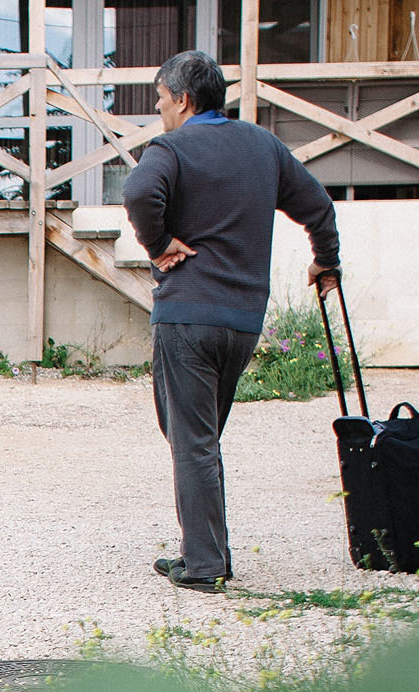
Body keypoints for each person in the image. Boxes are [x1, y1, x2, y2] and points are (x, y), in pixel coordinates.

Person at [122, 51, 342, 593]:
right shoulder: (263, 146)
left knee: (190, 438)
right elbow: (318, 205)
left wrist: (158, 243)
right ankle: (208, 551)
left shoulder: (171, 148)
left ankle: (203, 566)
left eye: (161, 99)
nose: (159, 109)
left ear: (184, 100)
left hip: (188, 317)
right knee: (199, 437)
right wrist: (325, 260)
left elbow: (137, 192)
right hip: (243, 321)